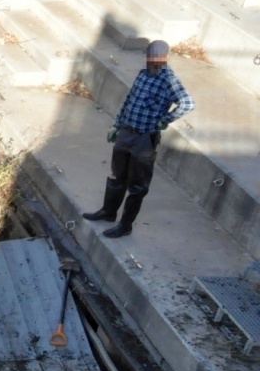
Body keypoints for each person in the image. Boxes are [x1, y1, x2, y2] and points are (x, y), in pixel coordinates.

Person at [82, 39, 195, 239]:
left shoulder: (168, 79)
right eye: (149, 56)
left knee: (138, 186)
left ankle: (125, 225)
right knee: (117, 176)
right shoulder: (143, 74)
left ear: (164, 58)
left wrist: (165, 119)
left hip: (144, 138)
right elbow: (129, 100)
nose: (151, 60)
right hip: (126, 132)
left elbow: (187, 103)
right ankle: (108, 212)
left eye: (155, 57)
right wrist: (117, 124)